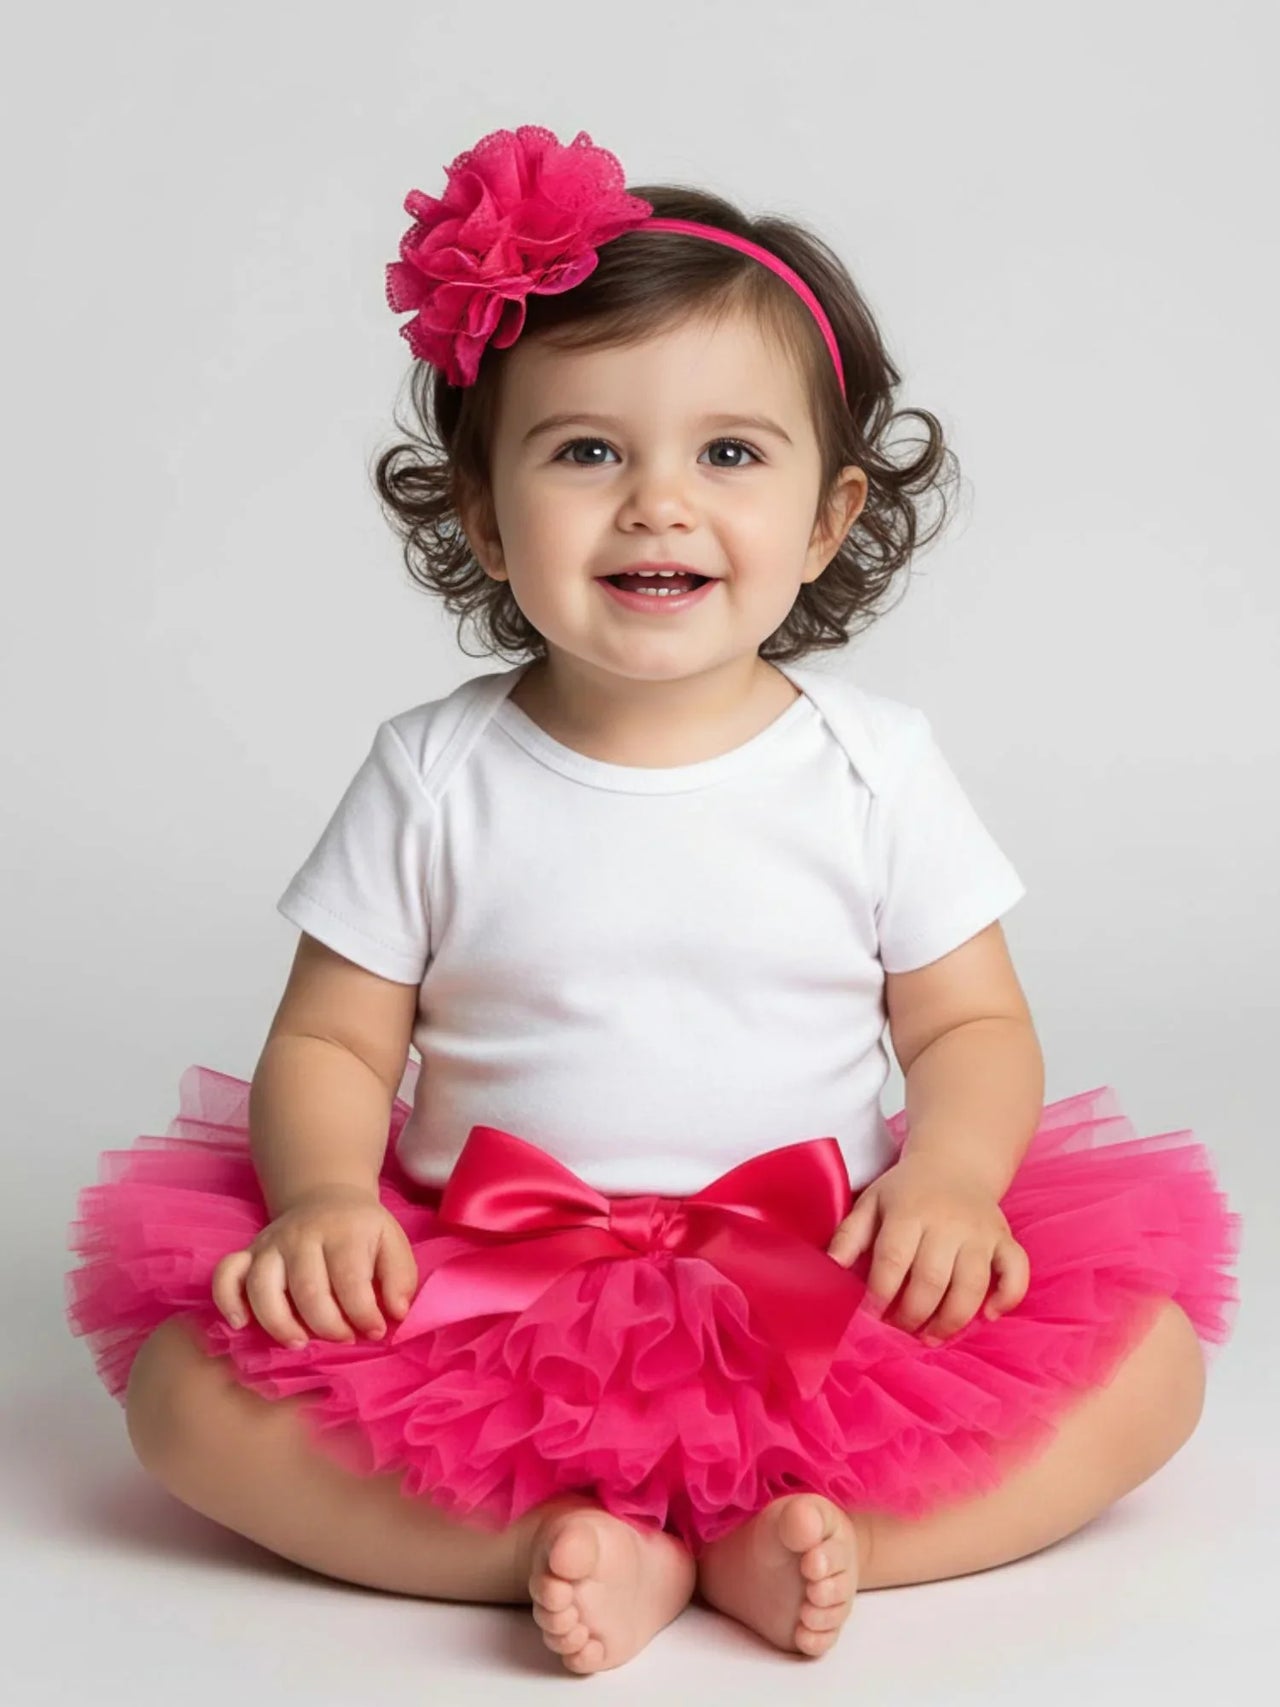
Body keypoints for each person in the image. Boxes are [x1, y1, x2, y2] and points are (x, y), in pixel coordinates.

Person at [65, 123, 1241, 1677]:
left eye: (730, 454)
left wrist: (952, 1179)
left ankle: (827, 1547)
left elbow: (969, 1020)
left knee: (1150, 1369)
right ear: (484, 514)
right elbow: (335, 1046)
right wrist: (329, 1201)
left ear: (827, 520)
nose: (657, 505)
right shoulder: (436, 773)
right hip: (489, 1283)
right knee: (180, 1400)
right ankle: (551, 1552)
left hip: (820, 1269)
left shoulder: (872, 767)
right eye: (586, 451)